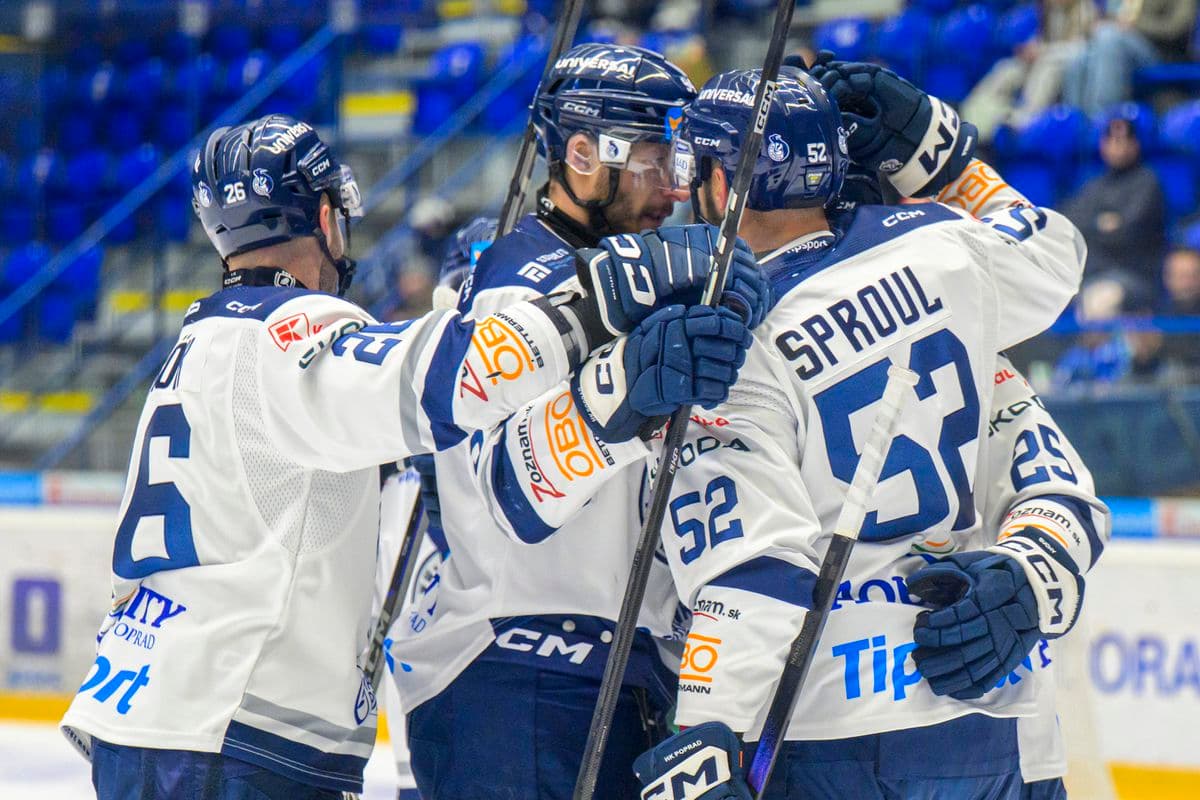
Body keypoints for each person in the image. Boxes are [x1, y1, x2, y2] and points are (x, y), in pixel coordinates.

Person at [58, 113, 758, 800]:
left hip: (144, 702)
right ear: (327, 219)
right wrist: (607, 291)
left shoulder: (195, 345)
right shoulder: (289, 331)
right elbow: (459, 375)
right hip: (235, 725)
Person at [628, 59, 1088, 797]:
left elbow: (754, 567)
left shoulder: (732, 335)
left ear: (725, 184)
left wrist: (707, 732)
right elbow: (1053, 252)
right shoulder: (947, 241)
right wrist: (945, 155)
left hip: (828, 720)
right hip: (980, 711)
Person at [389, 43, 772, 799]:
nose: (673, 186)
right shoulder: (516, 290)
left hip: (612, 674)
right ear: (584, 153)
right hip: (518, 677)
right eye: (656, 161)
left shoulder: (649, 272)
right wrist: (628, 388)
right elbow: (513, 497)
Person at [1060, 112, 1166, 287]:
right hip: (1092, 271)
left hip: (1135, 274)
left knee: (1101, 299)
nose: (1118, 146)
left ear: (1136, 144)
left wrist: (1093, 229)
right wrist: (1100, 224)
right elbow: (1070, 221)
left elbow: (1128, 230)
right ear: (1103, 145)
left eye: (1125, 140)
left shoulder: (1147, 182)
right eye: (1112, 140)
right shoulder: (1094, 184)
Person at [1063, 0, 1198, 116]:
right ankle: (1077, 129)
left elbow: (1177, 28)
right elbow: (1113, 18)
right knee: (1080, 58)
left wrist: (1135, 24)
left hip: (1160, 52)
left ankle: (1103, 123)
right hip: (1122, 42)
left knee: (1110, 40)